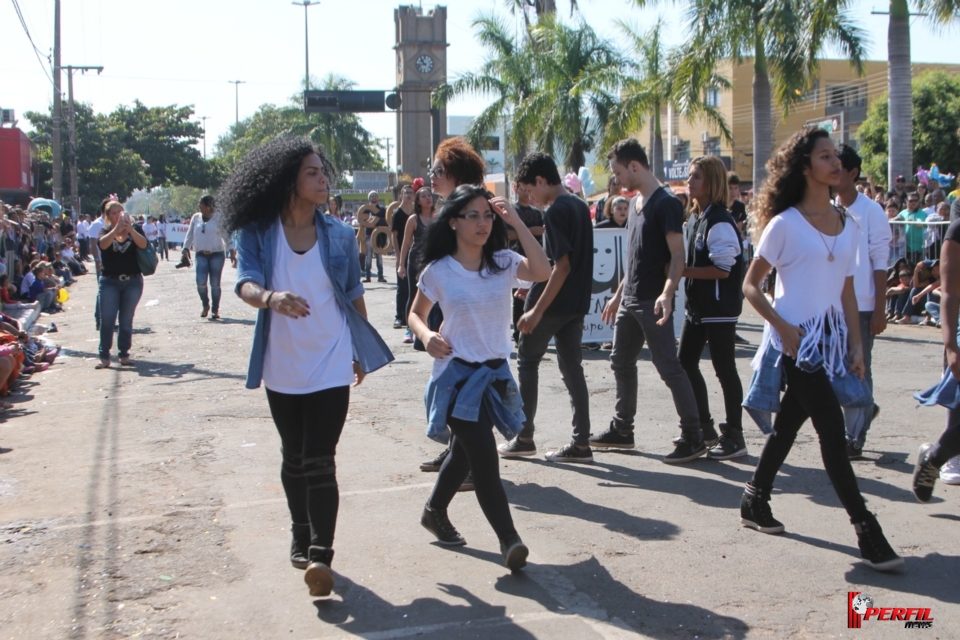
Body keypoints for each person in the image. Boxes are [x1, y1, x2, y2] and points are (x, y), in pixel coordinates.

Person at [225, 136, 393, 598]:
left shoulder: (338, 233)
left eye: (324, 172)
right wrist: (271, 298)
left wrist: (360, 348)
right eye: (313, 173)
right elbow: (245, 284)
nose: (323, 180)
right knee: (293, 456)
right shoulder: (259, 231)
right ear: (289, 182)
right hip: (282, 363)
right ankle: (300, 528)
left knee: (321, 459)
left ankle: (321, 554)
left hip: (331, 359)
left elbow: (354, 291)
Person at [740, 128, 902, 571]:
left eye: (837, 156)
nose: (836, 163)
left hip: (831, 341)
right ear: (806, 166)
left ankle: (754, 498)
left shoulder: (847, 223)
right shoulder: (784, 224)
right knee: (832, 431)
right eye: (825, 156)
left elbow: (847, 290)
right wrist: (782, 327)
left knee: (791, 422)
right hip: (795, 343)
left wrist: (857, 344)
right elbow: (751, 286)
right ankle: (866, 529)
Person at [408, 184, 550, 569]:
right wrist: (427, 336)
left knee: (463, 453)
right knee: (484, 457)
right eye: (473, 216)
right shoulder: (439, 270)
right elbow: (415, 313)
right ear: (453, 221)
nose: (483, 223)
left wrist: (516, 220)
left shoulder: (503, 262)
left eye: (488, 216)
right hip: (455, 377)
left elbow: (543, 271)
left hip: (493, 377)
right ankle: (510, 540)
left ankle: (433, 510)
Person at [591, 138, 708, 463]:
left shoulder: (665, 202)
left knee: (669, 367)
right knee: (621, 361)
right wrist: (617, 296)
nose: (616, 180)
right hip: (630, 299)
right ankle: (622, 429)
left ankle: (693, 436)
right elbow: (636, 259)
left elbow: (677, 256)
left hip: (652, 301)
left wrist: (668, 293)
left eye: (618, 172)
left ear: (634, 166)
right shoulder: (637, 204)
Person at [497, 152, 594, 462]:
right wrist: (532, 289)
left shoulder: (555, 213)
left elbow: (561, 267)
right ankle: (581, 444)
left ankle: (525, 437)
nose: (530, 197)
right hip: (576, 303)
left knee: (527, 361)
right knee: (572, 369)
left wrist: (537, 309)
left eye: (529, 190)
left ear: (540, 181)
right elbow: (563, 265)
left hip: (553, 306)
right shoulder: (579, 205)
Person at [418, 136, 487, 479]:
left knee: (470, 394)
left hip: (478, 318)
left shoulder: (479, 210)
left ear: (455, 172)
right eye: (432, 169)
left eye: (439, 169)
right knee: (452, 390)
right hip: (453, 310)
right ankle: (457, 457)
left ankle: (469, 465)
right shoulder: (447, 210)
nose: (432, 175)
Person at [678, 156, 746, 460]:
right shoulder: (695, 217)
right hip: (698, 306)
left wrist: (683, 271)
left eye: (696, 177)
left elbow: (723, 269)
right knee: (685, 361)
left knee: (724, 368)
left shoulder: (719, 220)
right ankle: (705, 426)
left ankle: (735, 434)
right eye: (690, 176)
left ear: (712, 183)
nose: (690, 182)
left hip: (719, 307)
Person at [835, 145, 891, 460]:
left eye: (838, 166)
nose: (831, 170)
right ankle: (864, 408)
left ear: (853, 173)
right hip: (832, 305)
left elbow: (880, 262)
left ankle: (854, 437)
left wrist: (881, 308)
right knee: (835, 369)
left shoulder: (872, 212)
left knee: (858, 367)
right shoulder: (827, 207)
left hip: (865, 305)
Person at [96, 201, 147, 369]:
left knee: (126, 319)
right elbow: (102, 245)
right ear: (108, 217)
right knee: (108, 319)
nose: (118, 215)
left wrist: (130, 229)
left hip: (132, 281)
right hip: (110, 281)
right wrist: (116, 230)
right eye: (113, 213)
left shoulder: (136, 229)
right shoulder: (105, 230)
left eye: (120, 211)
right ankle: (104, 355)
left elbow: (143, 244)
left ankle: (124, 353)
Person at [182, 195, 235, 320]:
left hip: (217, 254)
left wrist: (232, 249)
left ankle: (215, 309)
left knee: (215, 284)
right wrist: (185, 248)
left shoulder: (219, 218)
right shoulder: (196, 218)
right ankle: (205, 304)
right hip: (201, 254)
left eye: (201, 203)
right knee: (200, 282)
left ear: (208, 206)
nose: (199, 206)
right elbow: (189, 235)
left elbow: (227, 235)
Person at [398, 187, 437, 345]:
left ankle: (429, 327)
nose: (428, 198)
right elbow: (406, 243)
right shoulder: (413, 219)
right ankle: (409, 328)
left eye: (429, 195)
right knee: (413, 294)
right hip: (415, 261)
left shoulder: (437, 218)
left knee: (433, 295)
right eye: (423, 196)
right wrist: (401, 265)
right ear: (418, 201)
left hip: (432, 261)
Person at [391, 185, 415, 329]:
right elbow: (394, 236)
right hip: (403, 253)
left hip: (415, 254)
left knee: (414, 287)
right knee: (402, 287)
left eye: (411, 193)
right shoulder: (397, 213)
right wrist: (398, 256)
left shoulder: (415, 213)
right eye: (406, 193)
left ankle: (411, 316)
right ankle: (399, 316)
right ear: (401, 195)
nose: (408, 195)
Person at [357, 191, 387, 283]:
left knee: (379, 256)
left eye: (375, 196)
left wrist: (377, 220)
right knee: (368, 256)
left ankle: (380, 276)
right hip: (369, 234)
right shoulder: (366, 209)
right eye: (372, 196)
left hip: (379, 235)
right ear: (369, 198)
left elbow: (386, 221)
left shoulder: (382, 209)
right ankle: (368, 277)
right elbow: (362, 221)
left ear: (378, 198)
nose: (374, 197)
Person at [896, 191, 928, 267]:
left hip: (916, 249)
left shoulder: (921, 213)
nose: (913, 203)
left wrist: (913, 221)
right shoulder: (902, 213)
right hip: (903, 249)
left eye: (916, 200)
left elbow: (920, 224)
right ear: (906, 202)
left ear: (919, 202)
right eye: (911, 201)